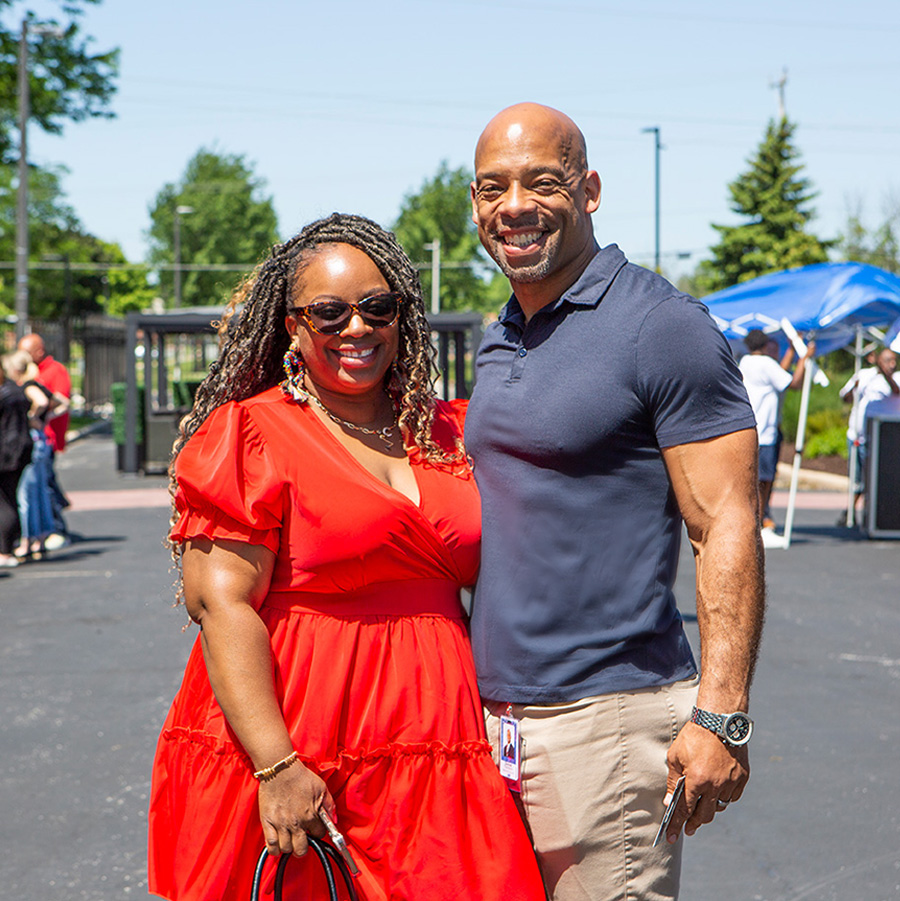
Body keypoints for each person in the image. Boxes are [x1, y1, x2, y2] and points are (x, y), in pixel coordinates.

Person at [147, 213, 545, 901]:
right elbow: (221, 602)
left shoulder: (446, 427)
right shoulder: (250, 432)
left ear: (402, 316)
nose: (356, 328)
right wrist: (276, 765)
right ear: (291, 326)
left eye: (377, 307)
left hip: (438, 730)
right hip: (302, 730)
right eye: (329, 312)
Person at [466, 103, 764, 901]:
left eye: (542, 182)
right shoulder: (498, 336)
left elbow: (725, 521)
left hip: (609, 716)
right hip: (494, 721)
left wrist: (722, 713)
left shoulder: (661, 327)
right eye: (493, 188)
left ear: (589, 189)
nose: (515, 206)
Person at [738, 329, 814, 532]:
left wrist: (791, 350)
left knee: (751, 478)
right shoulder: (765, 364)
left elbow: (779, 372)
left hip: (749, 430)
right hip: (766, 432)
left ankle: (754, 518)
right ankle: (759, 521)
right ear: (764, 346)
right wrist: (804, 358)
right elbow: (794, 383)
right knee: (765, 479)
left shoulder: (745, 362)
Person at [2, 350, 69, 560]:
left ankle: (28, 540)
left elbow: (43, 401)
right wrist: (45, 418)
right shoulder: (33, 384)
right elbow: (61, 402)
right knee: (38, 492)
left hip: (27, 444)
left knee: (25, 497)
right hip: (38, 442)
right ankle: (40, 537)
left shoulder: (26, 387)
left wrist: (33, 417)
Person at [17, 333, 72, 546]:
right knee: (45, 483)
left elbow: (61, 400)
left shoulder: (54, 370)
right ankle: (51, 527)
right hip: (39, 436)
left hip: (46, 436)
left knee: (44, 485)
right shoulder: (31, 371)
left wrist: (40, 417)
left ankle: (56, 529)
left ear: (39, 351)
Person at [840, 346, 899, 524]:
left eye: (894, 361)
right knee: (857, 478)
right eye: (888, 360)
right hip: (858, 435)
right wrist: (855, 387)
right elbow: (845, 397)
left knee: (874, 478)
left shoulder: (896, 378)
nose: (892, 364)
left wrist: (884, 373)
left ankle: (871, 515)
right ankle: (850, 513)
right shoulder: (865, 375)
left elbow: (896, 390)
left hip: (885, 439)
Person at [0, 358, 33, 568]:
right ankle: (11, 545)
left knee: (4, 500)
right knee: (10, 497)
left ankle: (4, 550)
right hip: (19, 449)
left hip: (6, 452)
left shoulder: (5, 393)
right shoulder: (15, 390)